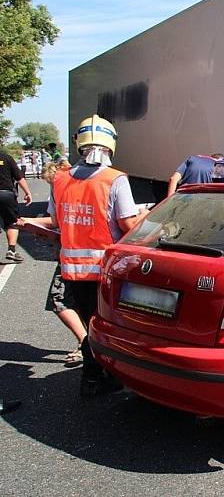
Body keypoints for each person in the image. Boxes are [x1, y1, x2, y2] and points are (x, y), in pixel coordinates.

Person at [48, 115, 147, 397]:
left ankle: (92, 378)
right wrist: (147, 216)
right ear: (110, 145)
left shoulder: (60, 179)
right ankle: (101, 377)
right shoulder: (114, 179)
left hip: (72, 271)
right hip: (105, 271)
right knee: (107, 326)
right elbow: (128, 224)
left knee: (89, 322)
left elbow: (56, 221)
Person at [18, 160, 86, 366]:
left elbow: (57, 222)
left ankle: (86, 344)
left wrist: (30, 222)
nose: (52, 187)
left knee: (60, 300)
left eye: (51, 182)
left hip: (72, 256)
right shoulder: (83, 188)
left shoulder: (63, 190)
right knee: (83, 302)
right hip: (89, 256)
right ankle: (90, 345)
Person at [0, 149, 32, 262]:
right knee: (12, 223)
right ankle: (11, 250)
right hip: (6, 194)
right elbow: (19, 177)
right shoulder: (6, 158)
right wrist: (27, 192)